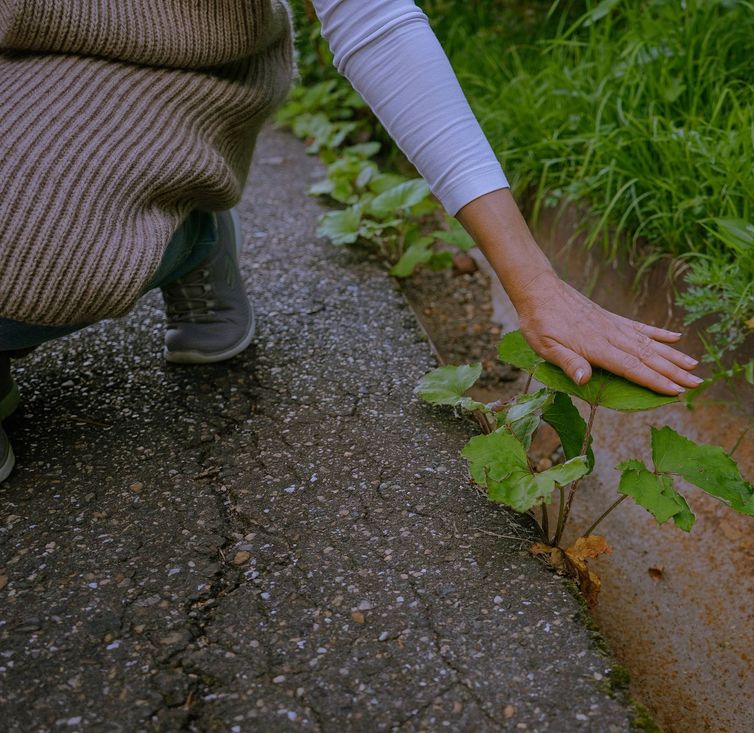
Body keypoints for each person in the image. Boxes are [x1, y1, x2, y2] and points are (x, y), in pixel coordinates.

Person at [0, 0, 701, 483]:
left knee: (33, 252)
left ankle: (191, 226)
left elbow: (374, 18)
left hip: (168, 63)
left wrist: (536, 283)